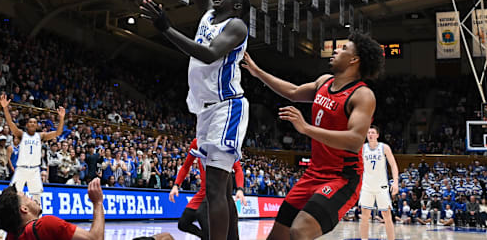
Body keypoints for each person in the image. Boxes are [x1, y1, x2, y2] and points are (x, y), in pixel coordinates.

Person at [140, 0, 251, 240]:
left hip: (226, 107)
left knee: (216, 188)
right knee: (221, 187)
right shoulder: (208, 16)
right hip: (204, 111)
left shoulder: (237, 26)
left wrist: (166, 29)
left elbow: (207, 53)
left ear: (237, 6)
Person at [241, 32, 384, 240]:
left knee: (300, 230)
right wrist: (257, 72)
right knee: (277, 237)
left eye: (344, 48)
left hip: (342, 178)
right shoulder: (324, 82)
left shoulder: (363, 95)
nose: (336, 50)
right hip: (313, 174)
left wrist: (306, 128)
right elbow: (293, 91)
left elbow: (354, 140)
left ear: (354, 60)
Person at [169, 138, 246, 240]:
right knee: (183, 223)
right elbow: (185, 166)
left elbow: (238, 169)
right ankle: (205, 237)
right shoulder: (197, 142)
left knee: (204, 215)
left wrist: (240, 189)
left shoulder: (224, 143)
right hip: (203, 192)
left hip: (217, 191)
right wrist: (176, 185)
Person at [0, 93, 65, 202]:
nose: (33, 123)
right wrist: (5, 107)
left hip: (34, 170)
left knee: (37, 198)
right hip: (21, 169)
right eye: (30, 122)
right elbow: (10, 123)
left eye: (35, 122)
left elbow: (58, 132)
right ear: (27, 125)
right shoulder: (21, 134)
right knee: (12, 194)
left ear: (37, 125)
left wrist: (61, 118)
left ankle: (37, 219)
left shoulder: (41, 136)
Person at [0, 177, 104, 240]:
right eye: (26, 197)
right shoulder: (45, 225)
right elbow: (95, 239)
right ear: (24, 209)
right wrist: (97, 203)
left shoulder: (11, 236)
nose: (31, 198)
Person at [358, 126, 399, 240]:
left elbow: (393, 165)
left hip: (382, 187)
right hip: (367, 186)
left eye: (372, 132)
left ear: (377, 135)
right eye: (368, 133)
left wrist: (395, 182)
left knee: (387, 216)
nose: (370, 134)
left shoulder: (384, 147)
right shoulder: (362, 148)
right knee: (365, 216)